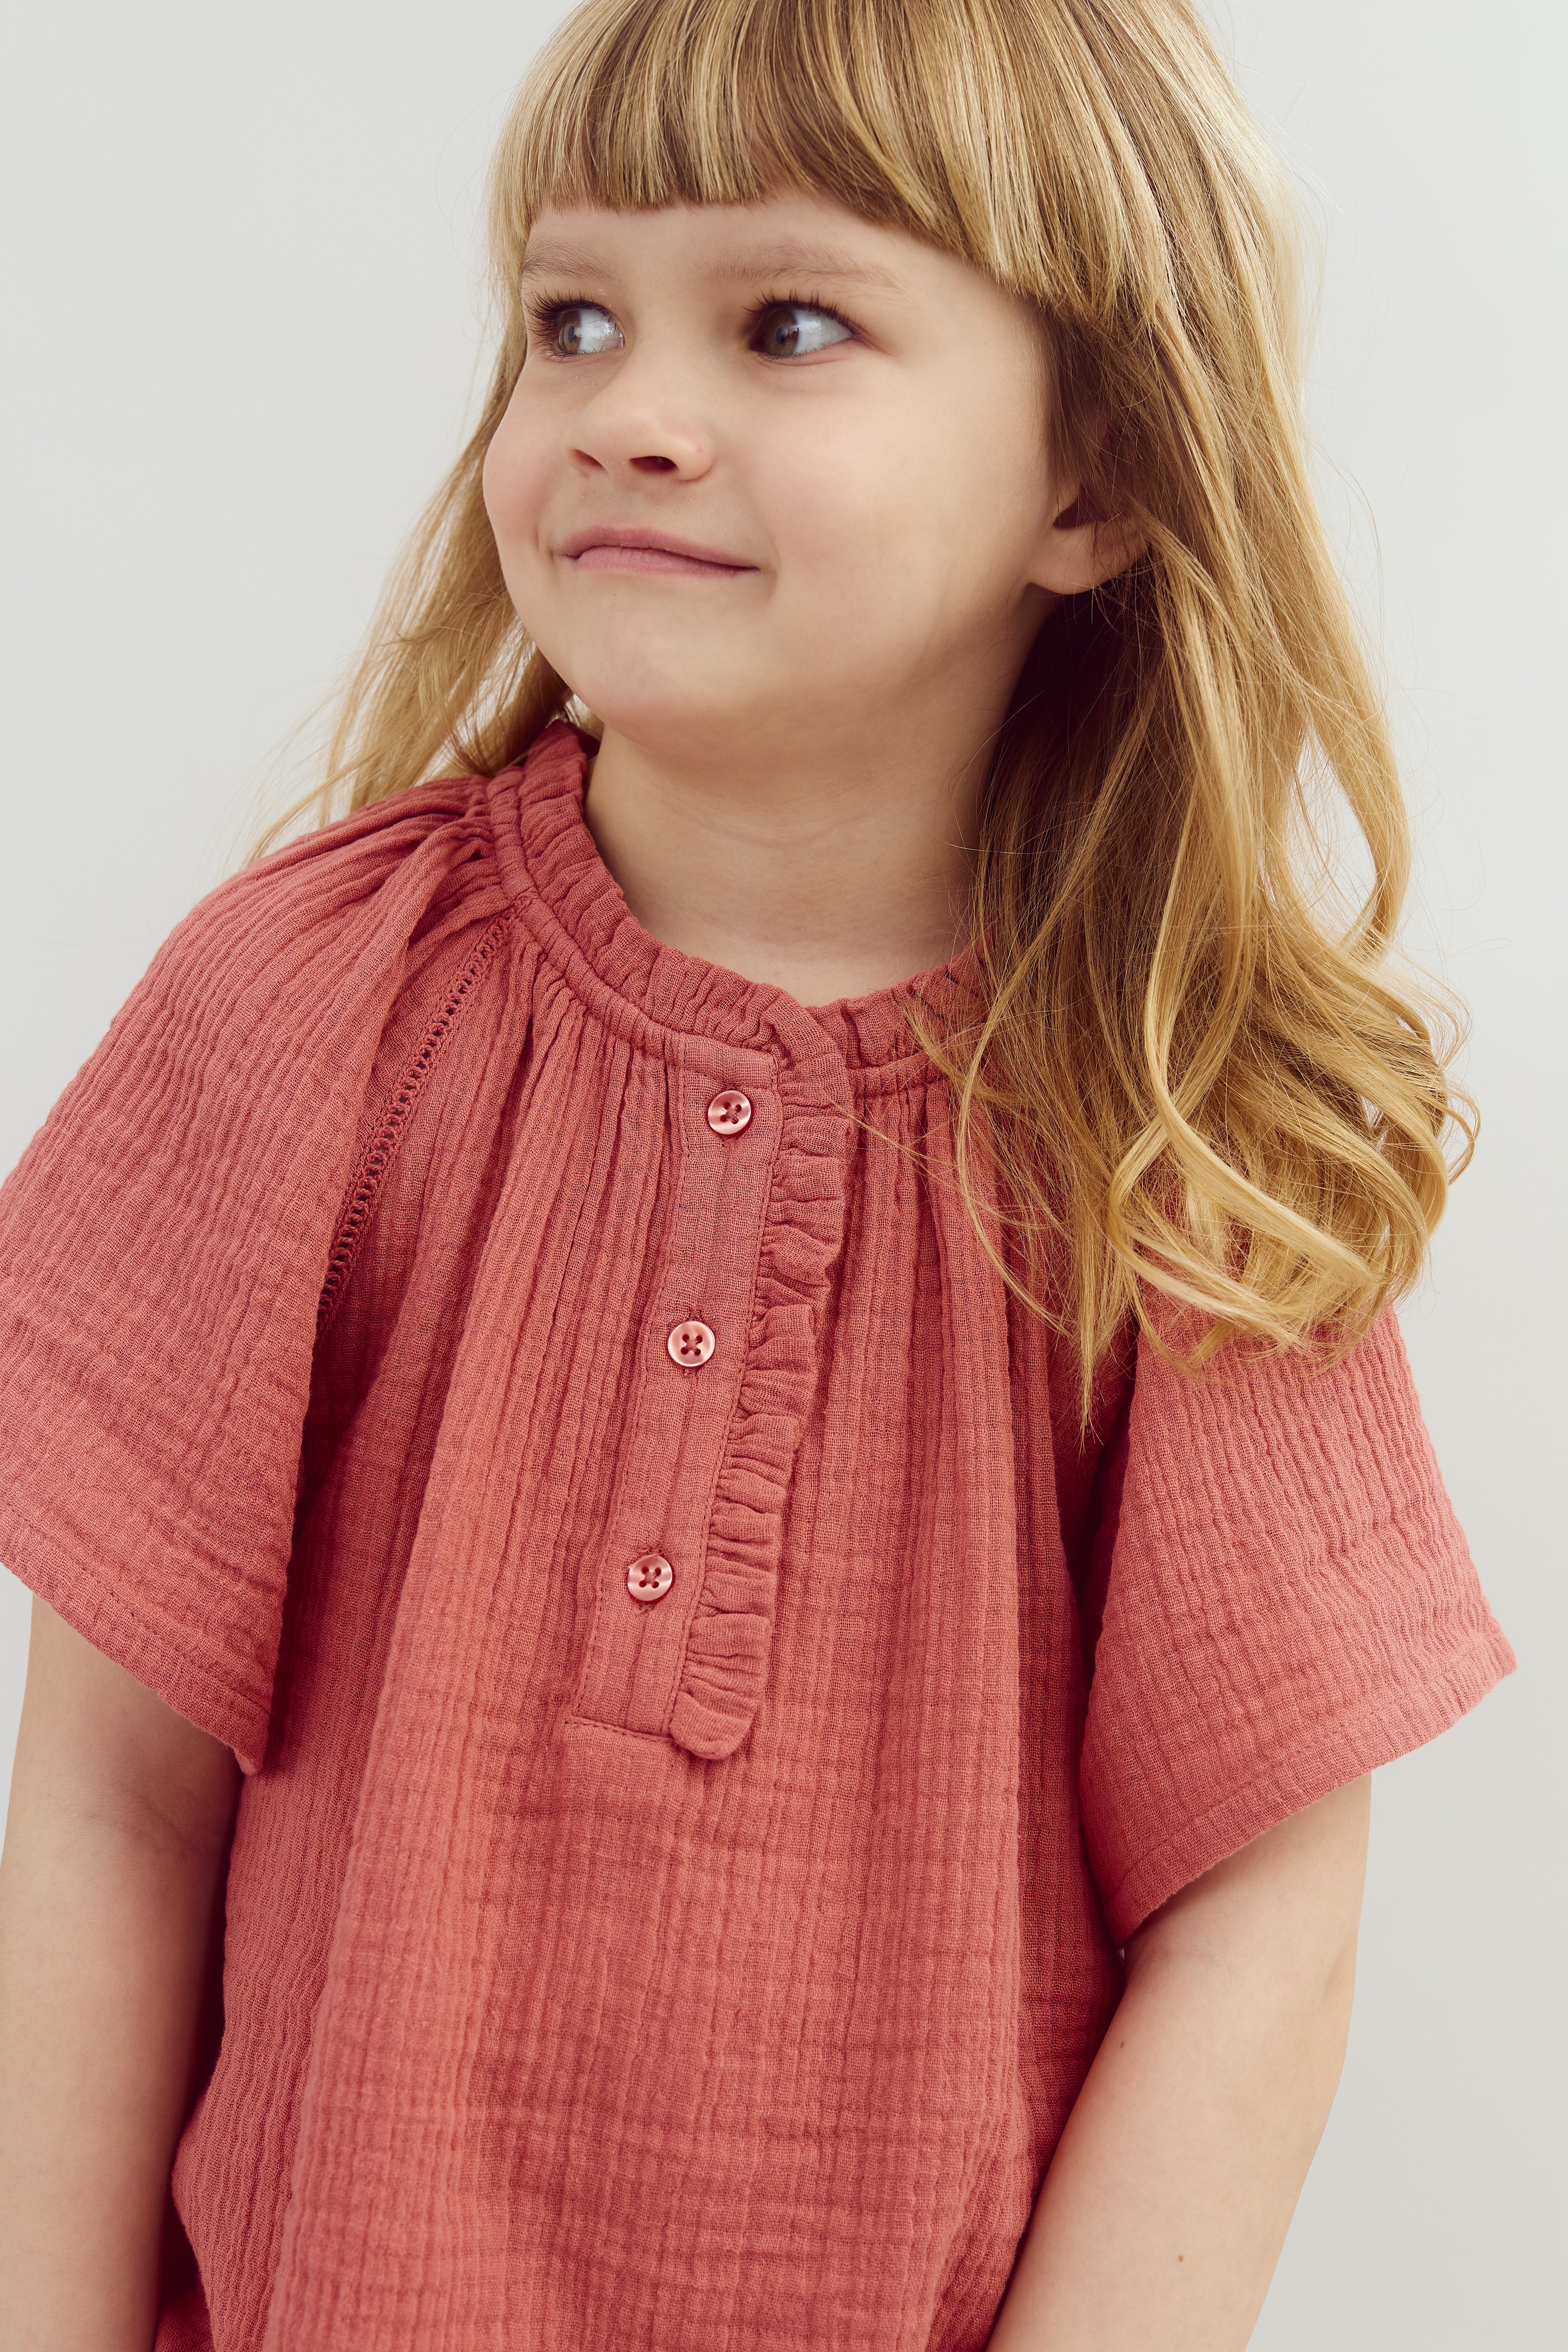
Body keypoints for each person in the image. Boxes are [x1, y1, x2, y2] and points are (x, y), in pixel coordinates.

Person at [0, 0, 1514, 2346]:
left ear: (1093, 478)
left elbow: (1258, 1930)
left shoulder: (1172, 1123)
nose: (629, 409)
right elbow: (106, 1817)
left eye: (787, 320)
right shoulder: (309, 1003)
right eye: (570, 317)